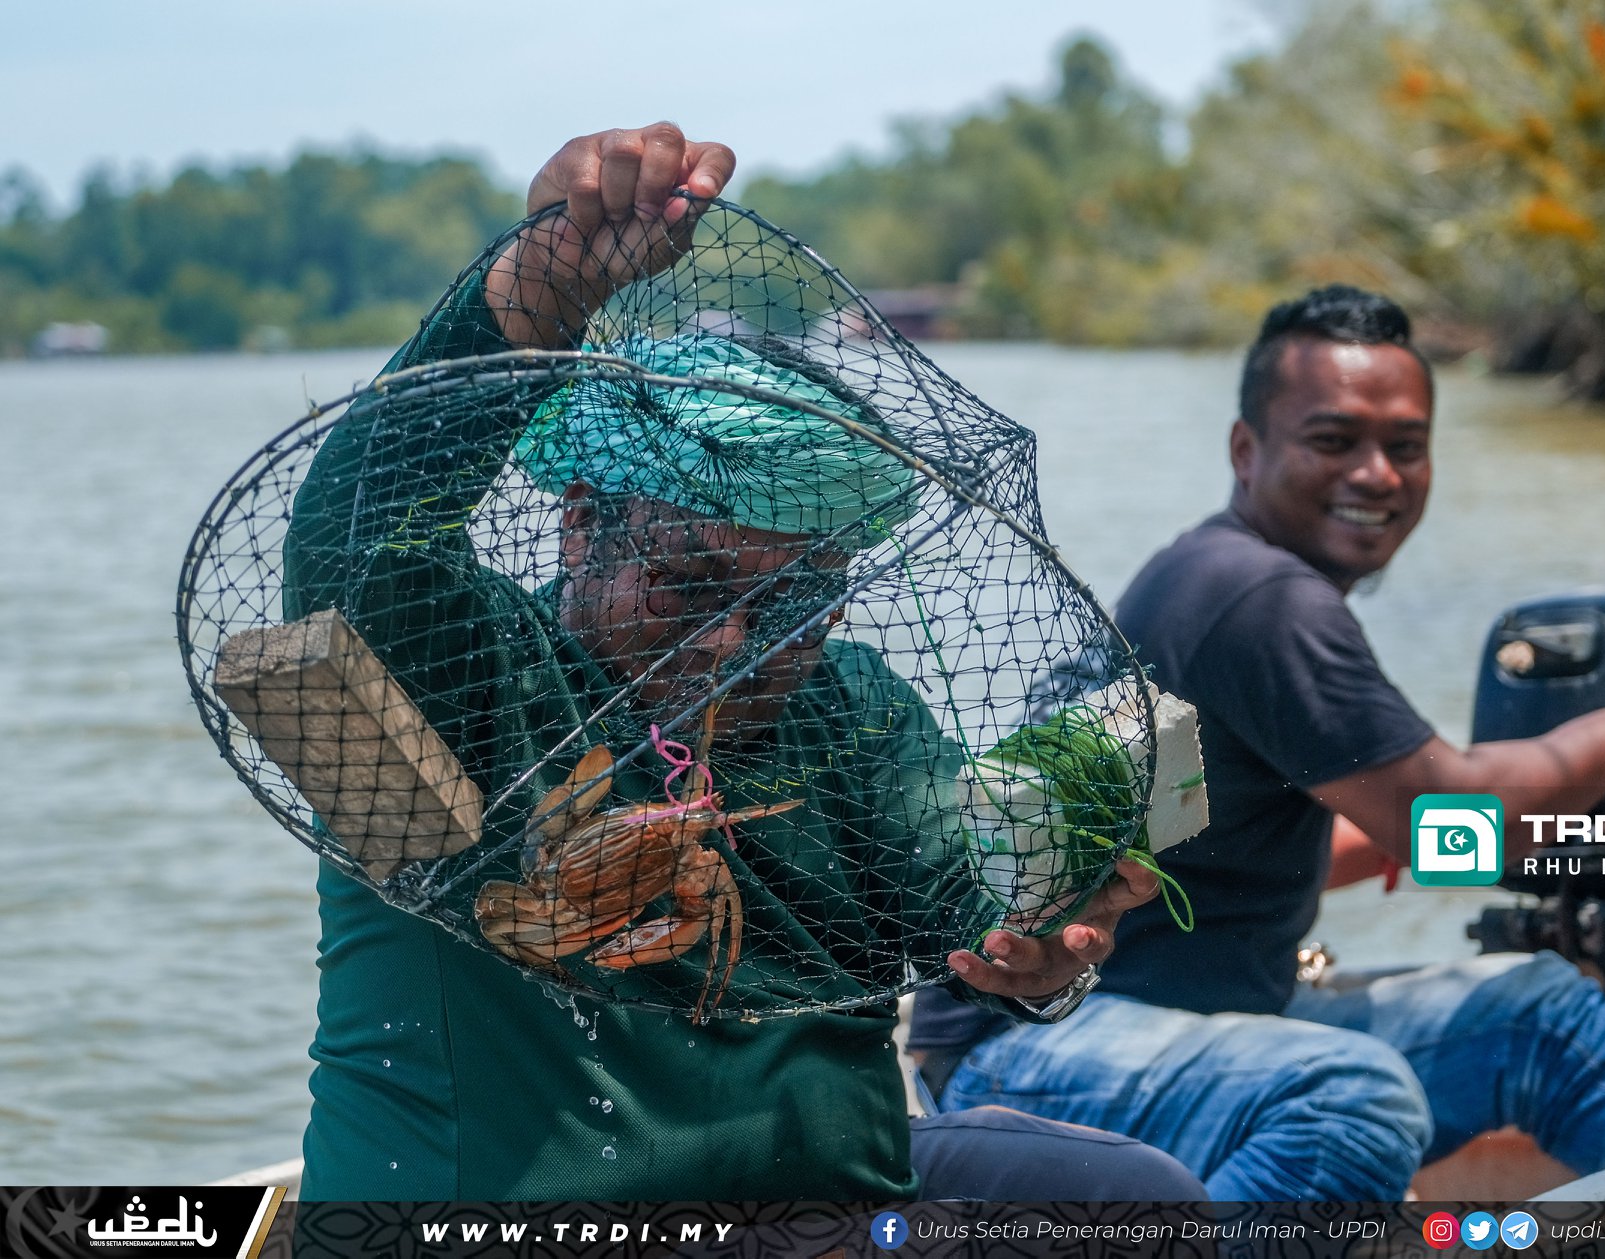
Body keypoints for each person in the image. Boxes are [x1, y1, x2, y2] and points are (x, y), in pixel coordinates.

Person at [282, 123, 1200, 1200]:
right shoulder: (465, 676)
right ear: (582, 525)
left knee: (1141, 1200)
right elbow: (354, 543)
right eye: (685, 583)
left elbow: (973, 900)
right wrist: (541, 287)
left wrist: (1049, 954)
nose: (734, 643)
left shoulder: (851, 711)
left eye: (797, 600)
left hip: (832, 1208)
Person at [912, 284, 1605, 1197]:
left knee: (1541, 1015)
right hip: (1039, 1041)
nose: (1378, 474)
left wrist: (1426, 841)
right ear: (1246, 449)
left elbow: (1361, 838)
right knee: (1350, 1099)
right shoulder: (1263, 601)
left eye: (1407, 447)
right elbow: (1472, 826)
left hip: (1189, 1016)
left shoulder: (1213, 571)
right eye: (1334, 441)